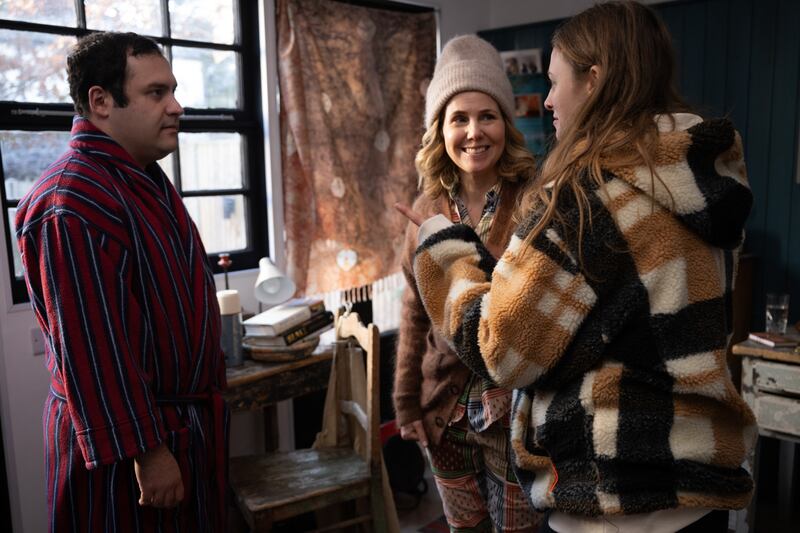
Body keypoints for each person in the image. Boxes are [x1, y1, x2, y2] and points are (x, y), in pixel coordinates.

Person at [398, 2, 756, 532]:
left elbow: (501, 347)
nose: (545, 101)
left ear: (593, 81)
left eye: (554, 81)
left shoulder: (583, 199)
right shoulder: (700, 177)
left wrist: (440, 247)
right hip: (697, 489)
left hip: (612, 493)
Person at [15, 32, 228, 532]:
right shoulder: (72, 202)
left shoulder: (143, 178)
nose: (177, 107)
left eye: (173, 90)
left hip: (179, 427)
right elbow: (93, 349)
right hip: (126, 452)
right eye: (157, 93)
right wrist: (147, 452)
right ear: (100, 101)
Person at [392, 35, 540, 532]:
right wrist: (405, 402)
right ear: (441, 130)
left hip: (516, 415)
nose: (474, 132)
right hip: (445, 414)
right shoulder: (425, 212)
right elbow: (414, 313)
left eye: (487, 116)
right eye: (459, 118)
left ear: (506, 125)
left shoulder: (535, 202)